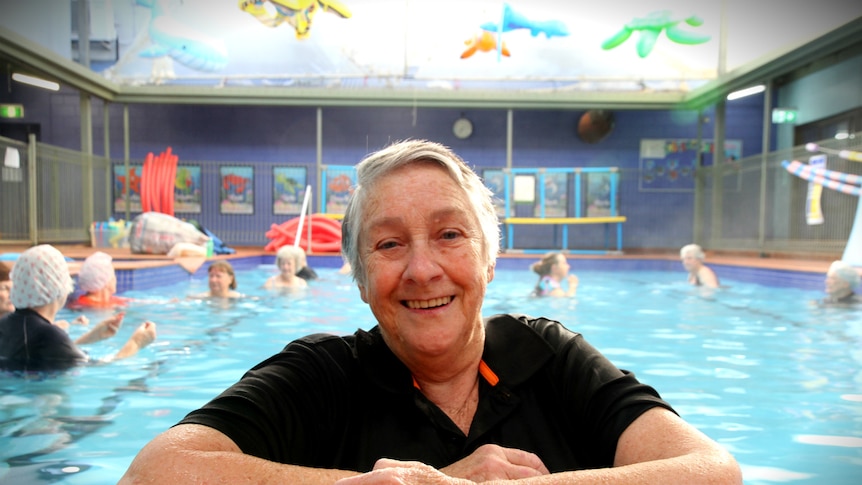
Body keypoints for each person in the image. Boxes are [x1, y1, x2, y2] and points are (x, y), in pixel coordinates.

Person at [120, 140, 741, 484]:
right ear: (362, 278)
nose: (422, 270)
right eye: (389, 244)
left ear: (490, 258)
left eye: (450, 235)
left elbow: (713, 474)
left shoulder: (548, 358)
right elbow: (150, 476)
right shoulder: (324, 376)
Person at [0, 245, 157, 372]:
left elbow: (47, 351)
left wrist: (92, 337)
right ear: (57, 285)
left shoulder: (7, 324)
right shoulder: (49, 335)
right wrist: (136, 343)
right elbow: (104, 370)